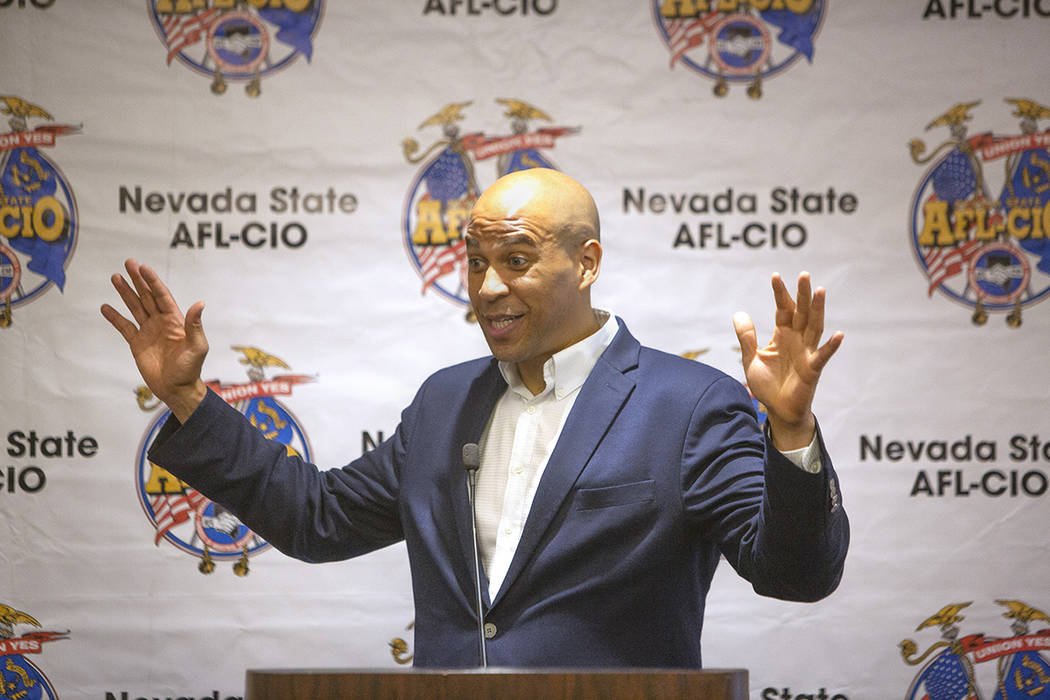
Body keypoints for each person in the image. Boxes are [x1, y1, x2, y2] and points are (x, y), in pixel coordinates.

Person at [101, 168, 848, 668]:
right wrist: (188, 399)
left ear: (587, 263)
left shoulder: (687, 405)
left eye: (516, 259)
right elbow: (317, 519)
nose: (488, 287)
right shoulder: (443, 403)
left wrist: (789, 432)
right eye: (474, 261)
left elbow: (796, 574)